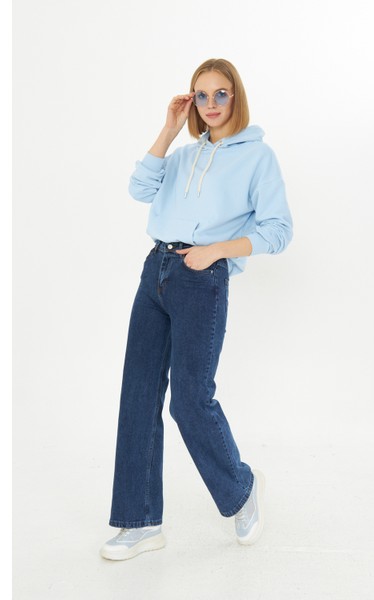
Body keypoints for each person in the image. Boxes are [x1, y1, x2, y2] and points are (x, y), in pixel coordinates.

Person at [100, 58, 293, 561]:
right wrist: (168, 130)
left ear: (236, 96)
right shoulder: (184, 155)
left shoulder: (257, 157)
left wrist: (217, 251)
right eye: (201, 95)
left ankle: (241, 489)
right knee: (138, 394)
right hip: (156, 271)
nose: (210, 104)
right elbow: (139, 189)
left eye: (220, 93)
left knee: (189, 399)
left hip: (201, 279)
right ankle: (140, 522)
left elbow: (278, 230)